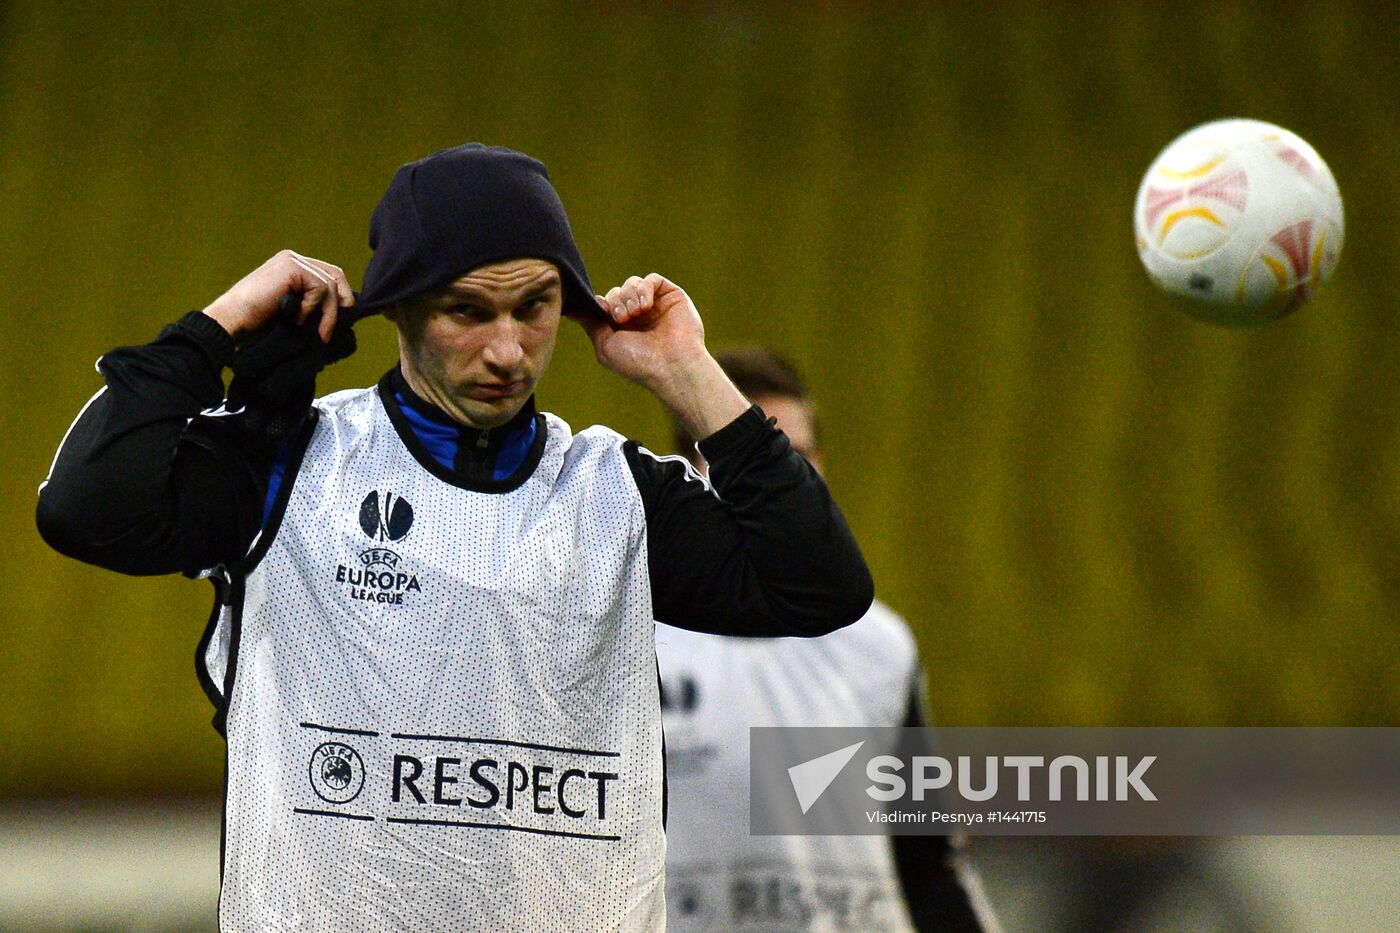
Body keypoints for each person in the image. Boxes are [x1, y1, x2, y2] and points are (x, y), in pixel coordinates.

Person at [35, 144, 874, 932]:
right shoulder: (292, 461)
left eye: (535, 307)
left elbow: (820, 585)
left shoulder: (614, 492)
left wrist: (687, 370)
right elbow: (83, 506)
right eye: (467, 311)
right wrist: (215, 328)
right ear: (398, 304)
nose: (507, 350)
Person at [656, 348, 998, 932]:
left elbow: (926, 860)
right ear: (691, 469)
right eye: (754, 453)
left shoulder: (880, 644)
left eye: (798, 452)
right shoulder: (632, 638)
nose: (783, 472)